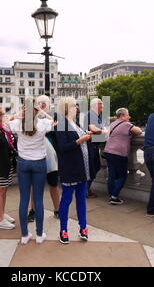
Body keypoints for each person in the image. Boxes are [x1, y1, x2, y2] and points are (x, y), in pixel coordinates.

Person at [9, 97, 53, 244]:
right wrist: (41, 111)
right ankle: (39, 235)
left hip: (23, 163)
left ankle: (24, 235)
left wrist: (18, 114)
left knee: (24, 200)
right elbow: (51, 120)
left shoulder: (17, 124)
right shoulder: (42, 123)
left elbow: (4, 122)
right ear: (36, 109)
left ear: (24, 109)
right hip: (39, 163)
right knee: (38, 199)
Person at [55, 97, 95, 244]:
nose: (76, 108)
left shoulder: (75, 123)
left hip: (82, 168)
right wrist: (81, 140)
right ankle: (63, 230)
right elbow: (63, 147)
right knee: (66, 200)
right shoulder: (61, 124)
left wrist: (86, 136)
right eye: (74, 106)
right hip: (70, 168)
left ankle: (83, 228)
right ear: (67, 108)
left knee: (81, 200)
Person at [27, 95, 60, 222]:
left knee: (54, 185)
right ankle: (33, 210)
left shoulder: (55, 117)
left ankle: (57, 209)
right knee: (34, 186)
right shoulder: (33, 117)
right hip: (35, 156)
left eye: (43, 103)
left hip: (52, 156)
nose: (41, 105)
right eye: (39, 103)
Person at [103, 108, 142, 205]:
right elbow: (138, 131)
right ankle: (114, 196)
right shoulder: (126, 124)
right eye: (128, 115)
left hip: (108, 151)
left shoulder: (112, 124)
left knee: (111, 176)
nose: (129, 117)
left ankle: (111, 195)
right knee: (122, 175)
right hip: (118, 153)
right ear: (122, 116)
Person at [0, 106, 16, 230]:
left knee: (4, 190)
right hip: (0, 165)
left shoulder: (3, 130)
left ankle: (2, 213)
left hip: (7, 163)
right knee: (0, 191)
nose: (4, 116)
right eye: (2, 114)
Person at [84, 98, 108, 198]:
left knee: (95, 167)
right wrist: (104, 132)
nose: (102, 106)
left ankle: (87, 190)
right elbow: (93, 128)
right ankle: (85, 191)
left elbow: (102, 127)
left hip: (94, 145)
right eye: (100, 104)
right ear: (94, 105)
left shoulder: (97, 116)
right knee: (91, 168)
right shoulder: (91, 114)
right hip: (90, 146)